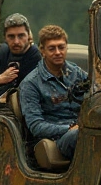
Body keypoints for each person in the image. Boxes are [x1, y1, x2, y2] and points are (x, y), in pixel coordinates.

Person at [19, 25, 88, 159]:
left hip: (82, 126)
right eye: (52, 48)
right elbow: (36, 126)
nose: (57, 52)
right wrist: (69, 128)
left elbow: (96, 90)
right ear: (42, 51)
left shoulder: (76, 73)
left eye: (61, 47)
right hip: (58, 138)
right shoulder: (31, 83)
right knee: (82, 135)